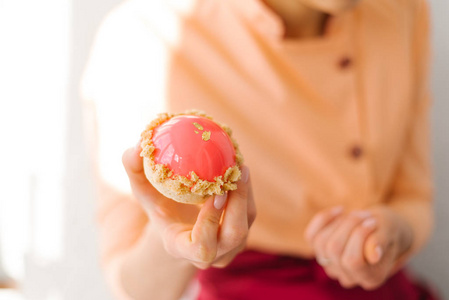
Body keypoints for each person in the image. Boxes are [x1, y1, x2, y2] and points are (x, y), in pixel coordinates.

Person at [81, 0, 438, 299]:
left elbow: (414, 197)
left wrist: (392, 232)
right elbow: (132, 287)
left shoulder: (401, 10)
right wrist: (180, 245)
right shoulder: (144, 36)